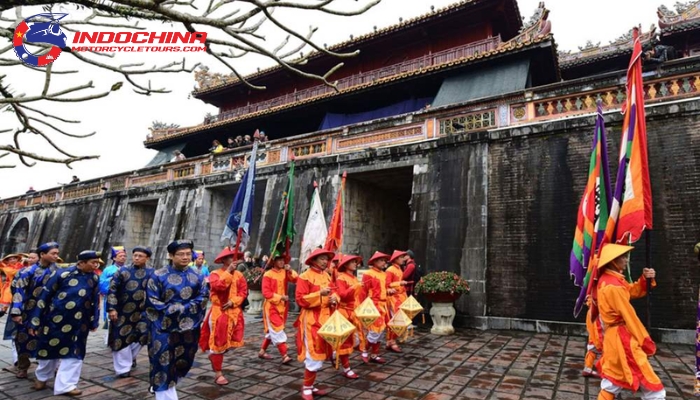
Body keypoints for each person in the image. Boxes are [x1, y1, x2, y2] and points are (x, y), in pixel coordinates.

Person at [594, 243, 664, 400]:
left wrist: (644, 280)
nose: (626, 260)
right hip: (623, 338)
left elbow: (631, 291)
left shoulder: (609, 280)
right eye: (623, 257)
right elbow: (629, 316)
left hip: (614, 338)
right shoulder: (614, 286)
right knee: (651, 384)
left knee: (612, 382)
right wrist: (645, 340)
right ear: (613, 261)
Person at [28, 250, 101, 396]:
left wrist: (94, 321)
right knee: (48, 352)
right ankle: (42, 377)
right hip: (56, 320)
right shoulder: (61, 274)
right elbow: (44, 297)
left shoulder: (94, 277)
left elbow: (95, 301)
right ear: (81, 263)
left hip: (80, 323)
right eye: (93, 262)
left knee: (75, 354)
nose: (96, 265)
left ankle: (66, 385)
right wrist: (35, 321)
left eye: (97, 262)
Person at [145, 239, 208, 400]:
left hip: (189, 329)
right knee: (163, 365)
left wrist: (182, 309)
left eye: (188, 254)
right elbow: (152, 301)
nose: (185, 257)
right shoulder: (158, 276)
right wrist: (173, 309)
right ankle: (162, 392)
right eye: (180, 254)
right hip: (163, 328)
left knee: (184, 362)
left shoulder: (198, 276)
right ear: (171, 256)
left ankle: (164, 387)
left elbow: (203, 298)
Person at [10, 242, 59, 379]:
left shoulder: (59, 272)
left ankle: (51, 366)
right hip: (29, 311)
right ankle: (23, 366)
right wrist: (16, 312)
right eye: (53, 253)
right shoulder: (27, 272)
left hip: (50, 312)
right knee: (23, 339)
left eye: (57, 253)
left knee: (51, 338)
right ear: (42, 255)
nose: (56, 256)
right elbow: (18, 291)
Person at [199, 247, 248, 385]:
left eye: (234, 257)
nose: (233, 260)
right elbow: (218, 287)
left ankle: (214, 357)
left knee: (231, 343)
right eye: (230, 257)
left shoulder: (240, 275)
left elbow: (243, 292)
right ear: (224, 260)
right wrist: (228, 272)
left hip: (235, 313)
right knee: (218, 344)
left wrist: (234, 302)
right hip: (219, 314)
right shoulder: (215, 274)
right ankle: (218, 373)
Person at [295, 248, 338, 400]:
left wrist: (334, 299)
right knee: (313, 353)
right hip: (312, 319)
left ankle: (311, 385)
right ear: (313, 260)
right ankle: (306, 387)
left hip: (326, 318)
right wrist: (319, 294)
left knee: (322, 352)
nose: (325, 261)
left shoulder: (326, 275)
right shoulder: (304, 277)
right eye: (322, 259)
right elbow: (300, 300)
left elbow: (333, 292)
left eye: (326, 259)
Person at [107, 246, 153, 378]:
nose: (137, 258)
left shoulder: (152, 273)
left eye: (140, 256)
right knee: (121, 338)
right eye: (135, 255)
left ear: (147, 258)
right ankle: (123, 369)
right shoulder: (123, 271)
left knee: (142, 336)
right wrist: (112, 308)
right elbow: (112, 289)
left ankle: (129, 358)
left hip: (143, 312)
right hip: (123, 311)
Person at [259, 254, 298, 363]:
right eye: (279, 260)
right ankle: (284, 355)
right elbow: (266, 293)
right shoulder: (268, 274)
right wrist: (280, 297)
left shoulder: (285, 272)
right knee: (277, 330)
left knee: (273, 331)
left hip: (283, 307)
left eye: (282, 260)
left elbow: (296, 279)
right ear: (273, 262)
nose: (281, 262)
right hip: (272, 307)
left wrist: (290, 270)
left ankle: (262, 351)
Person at [334, 254, 365, 379]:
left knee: (356, 339)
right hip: (344, 313)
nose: (355, 264)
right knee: (345, 341)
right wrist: (355, 287)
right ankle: (346, 368)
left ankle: (335, 354)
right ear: (345, 265)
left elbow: (356, 297)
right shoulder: (341, 278)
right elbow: (342, 295)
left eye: (355, 262)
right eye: (352, 262)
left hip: (354, 313)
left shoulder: (354, 278)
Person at [361, 251, 392, 364]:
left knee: (381, 331)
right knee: (374, 331)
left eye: (384, 260)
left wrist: (389, 291)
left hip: (383, 305)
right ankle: (364, 350)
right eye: (381, 260)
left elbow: (385, 288)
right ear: (374, 262)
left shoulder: (384, 274)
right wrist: (362, 306)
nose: (384, 262)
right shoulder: (368, 273)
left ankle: (374, 354)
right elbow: (363, 291)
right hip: (373, 304)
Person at [0, 253, 28, 370]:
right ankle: (18, 360)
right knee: (14, 331)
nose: (12, 260)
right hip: (10, 291)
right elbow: (11, 273)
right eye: (9, 259)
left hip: (26, 298)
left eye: (14, 258)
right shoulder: (10, 269)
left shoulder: (24, 267)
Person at [385, 250, 410, 352]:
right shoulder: (390, 270)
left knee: (400, 320)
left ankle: (391, 340)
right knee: (395, 321)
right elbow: (387, 285)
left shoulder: (399, 269)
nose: (403, 259)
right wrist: (399, 283)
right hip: (394, 299)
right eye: (401, 257)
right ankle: (391, 341)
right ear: (395, 259)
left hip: (401, 297)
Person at [100, 246, 125, 329]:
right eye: (120, 256)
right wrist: (111, 280)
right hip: (111, 296)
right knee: (110, 320)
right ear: (114, 258)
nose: (123, 258)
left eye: (124, 256)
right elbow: (101, 283)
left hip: (124, 298)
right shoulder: (108, 270)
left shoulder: (127, 269)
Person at [583, 296, 602, 378]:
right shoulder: (597, 310)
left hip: (592, 337)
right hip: (599, 337)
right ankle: (604, 371)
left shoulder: (590, 310)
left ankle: (587, 368)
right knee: (604, 353)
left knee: (591, 351)